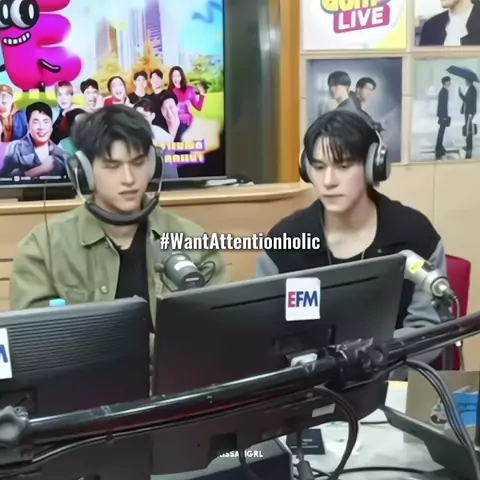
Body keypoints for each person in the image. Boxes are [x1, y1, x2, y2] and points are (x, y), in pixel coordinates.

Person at [10, 106, 228, 323]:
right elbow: (34, 337)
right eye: (112, 166)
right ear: (84, 171)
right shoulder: (42, 249)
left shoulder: (193, 240)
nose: (128, 179)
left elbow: (219, 327)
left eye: (138, 162)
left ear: (154, 164)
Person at [255, 110, 447, 353]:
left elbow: (426, 330)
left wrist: (368, 360)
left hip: (393, 372)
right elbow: (264, 332)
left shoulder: (414, 235)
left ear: (372, 166)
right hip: (307, 375)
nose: (329, 181)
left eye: (343, 166)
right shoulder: (285, 242)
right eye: (319, 167)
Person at [1, 102, 68, 178]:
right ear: (28, 126)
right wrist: (39, 170)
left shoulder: (61, 155)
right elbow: (5, 179)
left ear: (51, 126)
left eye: (46, 121)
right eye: (36, 122)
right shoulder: (15, 150)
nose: (41, 127)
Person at [133, 97, 179, 179]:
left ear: (152, 116)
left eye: (144, 117)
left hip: (163, 181)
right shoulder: (130, 136)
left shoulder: (162, 136)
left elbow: (169, 172)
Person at [459, 77, 477, 159]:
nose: (465, 82)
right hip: (468, 112)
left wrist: (460, 94)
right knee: (468, 129)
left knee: (469, 130)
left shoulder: (472, 90)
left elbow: (468, 100)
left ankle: (469, 147)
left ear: (469, 81)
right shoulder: (471, 89)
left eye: (466, 80)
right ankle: (468, 145)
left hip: (470, 112)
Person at [436, 76, 451, 159]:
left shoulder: (444, 91)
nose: (450, 83)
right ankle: (438, 148)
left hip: (442, 115)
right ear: (445, 82)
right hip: (443, 116)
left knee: (441, 132)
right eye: (449, 81)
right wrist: (444, 116)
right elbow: (442, 105)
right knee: (441, 132)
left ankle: (440, 147)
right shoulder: (444, 92)